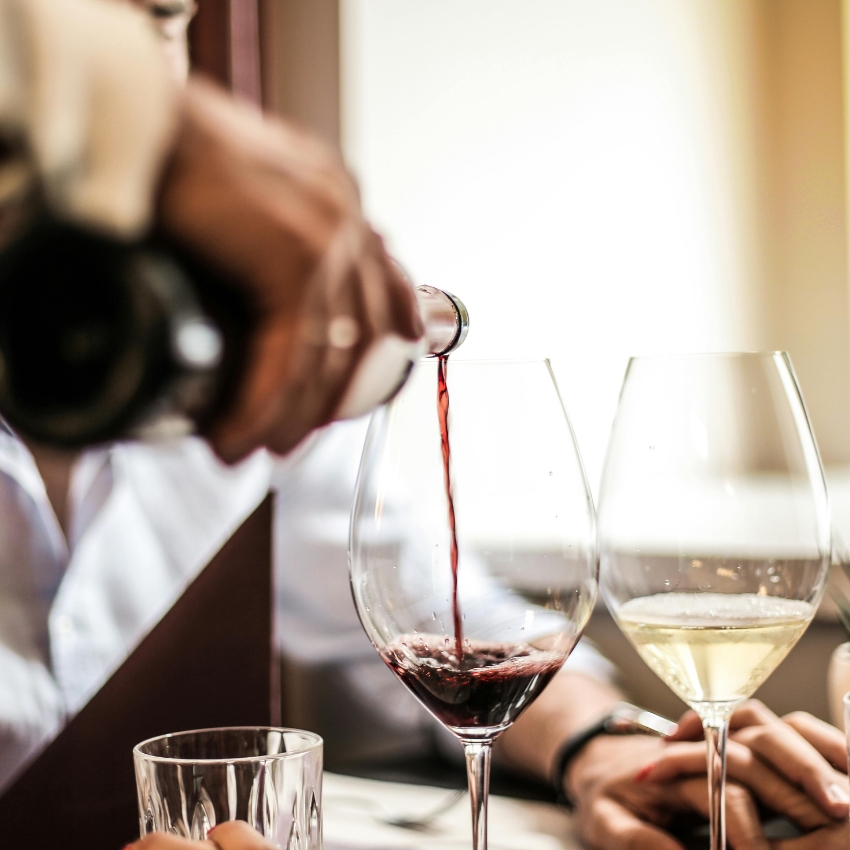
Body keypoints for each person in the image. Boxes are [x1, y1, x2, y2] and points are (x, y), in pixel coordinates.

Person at [0, 2, 846, 849]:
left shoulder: (250, 380)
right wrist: (151, 122)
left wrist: (600, 746)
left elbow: (440, 614)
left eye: (159, 19)